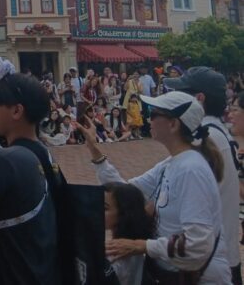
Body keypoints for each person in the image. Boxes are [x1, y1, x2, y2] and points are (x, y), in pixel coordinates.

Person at [77, 91, 230, 283]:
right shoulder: (173, 163)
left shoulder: (191, 170)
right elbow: (126, 194)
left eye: (154, 113)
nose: (148, 118)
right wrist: (95, 151)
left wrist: (142, 246)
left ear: (173, 124)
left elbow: (197, 244)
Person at [0, 72, 59, 284]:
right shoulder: (45, 154)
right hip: (41, 271)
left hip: (8, 274)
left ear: (17, 111)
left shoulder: (4, 160)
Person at [163, 67, 242, 284]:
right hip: (221, 256)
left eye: (183, 94)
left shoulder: (205, 139)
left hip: (210, 266)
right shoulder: (215, 131)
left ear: (199, 99)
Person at [103, 182, 156, 285]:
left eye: (105, 208)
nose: (96, 209)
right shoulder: (136, 245)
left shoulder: (116, 256)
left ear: (123, 214)